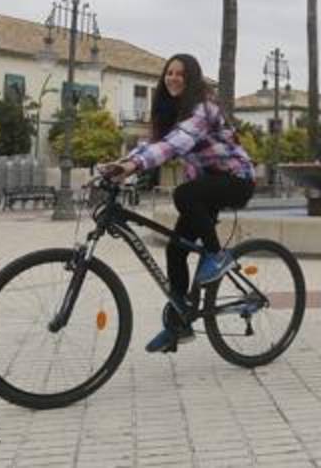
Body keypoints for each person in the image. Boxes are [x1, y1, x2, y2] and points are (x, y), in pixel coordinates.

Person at [106, 54, 255, 353]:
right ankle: (179, 324)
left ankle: (216, 256)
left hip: (235, 179)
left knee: (184, 194)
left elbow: (176, 144)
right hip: (207, 186)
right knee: (176, 248)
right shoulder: (171, 111)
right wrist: (118, 165)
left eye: (180, 74)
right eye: (169, 73)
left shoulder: (204, 108)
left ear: (192, 79)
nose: (173, 78)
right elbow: (156, 143)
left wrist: (135, 167)